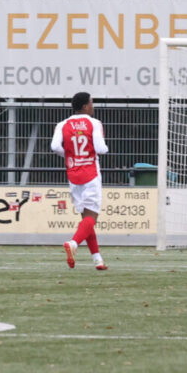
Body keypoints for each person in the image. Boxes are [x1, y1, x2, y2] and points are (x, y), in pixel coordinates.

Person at [51, 92, 109, 271]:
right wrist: (106, 148)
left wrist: (69, 155)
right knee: (91, 218)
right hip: (90, 173)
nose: (93, 106)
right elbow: (100, 149)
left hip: (73, 175)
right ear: (85, 106)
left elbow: (55, 146)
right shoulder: (94, 123)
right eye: (91, 103)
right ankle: (73, 243)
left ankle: (98, 260)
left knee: (86, 218)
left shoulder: (62, 124)